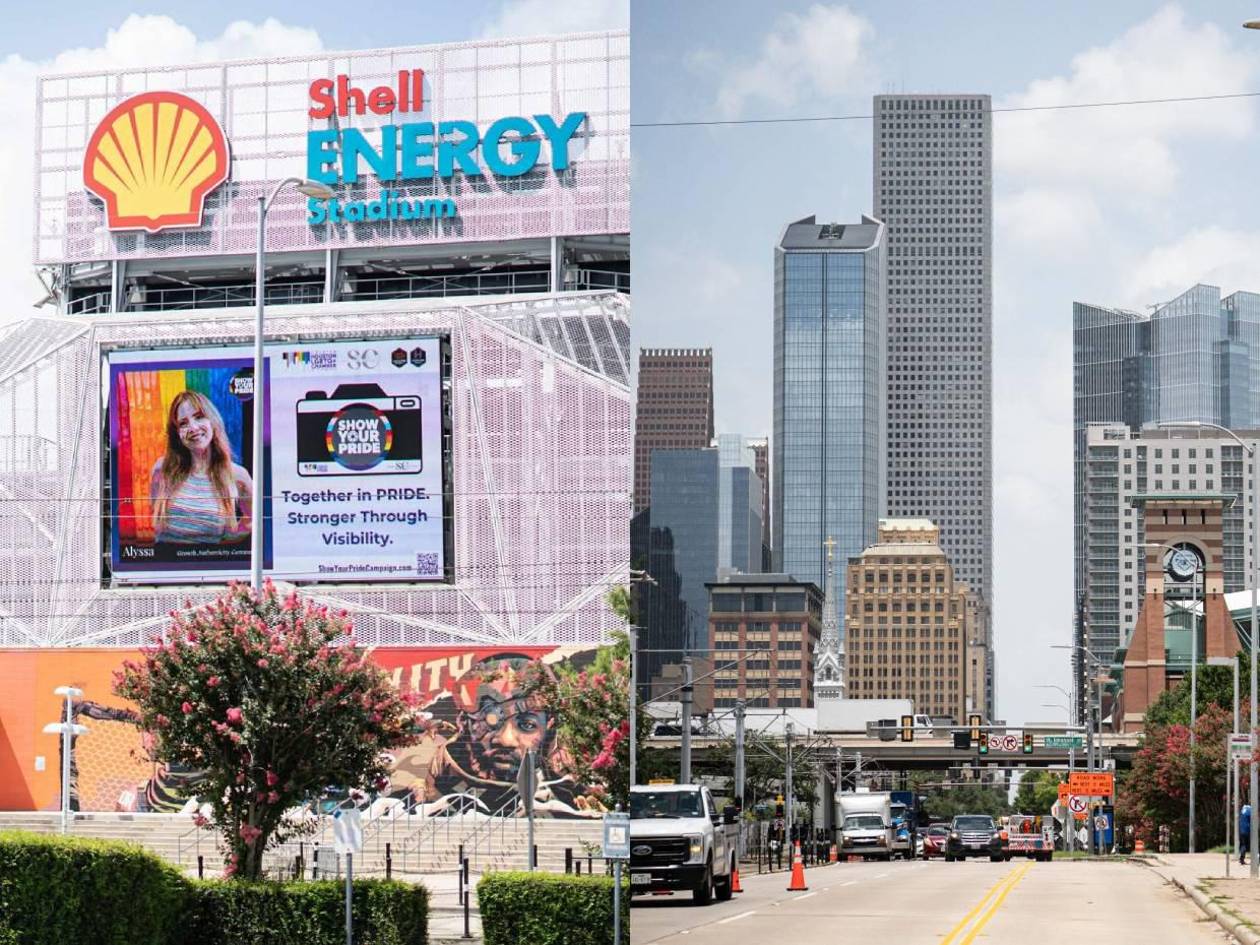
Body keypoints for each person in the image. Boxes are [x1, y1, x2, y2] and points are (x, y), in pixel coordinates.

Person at [150, 391, 252, 545]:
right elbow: (155, 519)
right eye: (183, 423)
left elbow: (256, 520)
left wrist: (226, 541)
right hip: (166, 563)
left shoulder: (237, 475)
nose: (193, 427)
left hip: (210, 565)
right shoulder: (162, 469)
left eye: (199, 417)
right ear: (177, 433)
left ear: (212, 421)